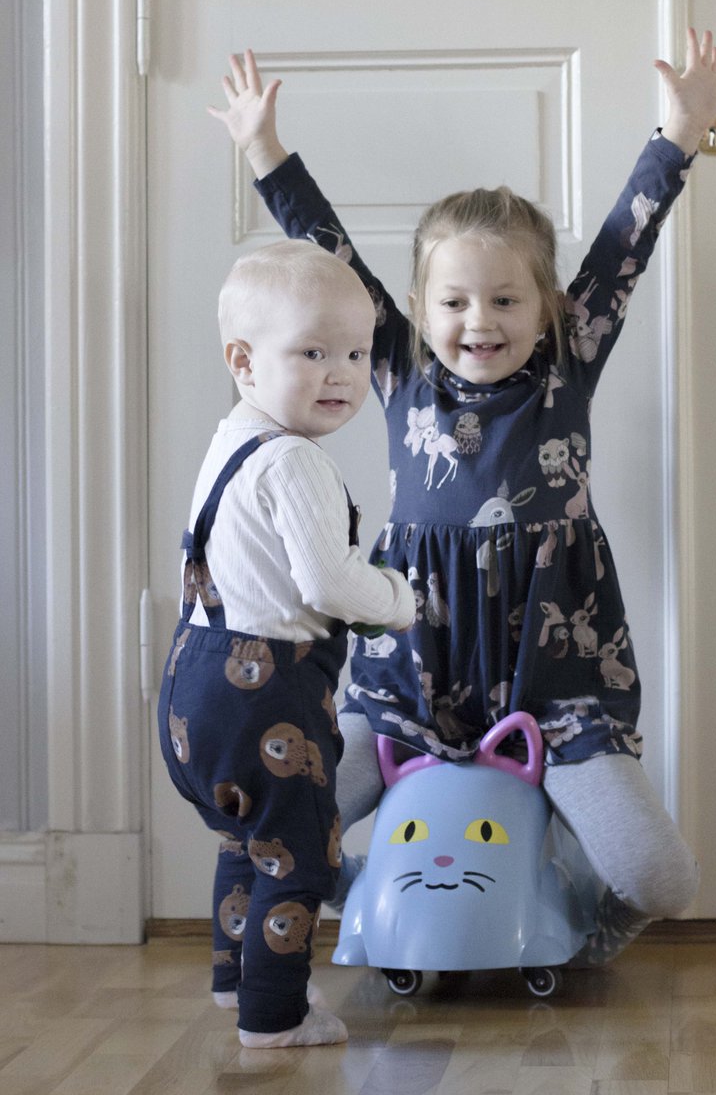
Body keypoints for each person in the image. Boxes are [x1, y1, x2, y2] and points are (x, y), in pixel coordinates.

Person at [208, 29, 716, 964]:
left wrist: (680, 134)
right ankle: (379, 916)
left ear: (548, 310)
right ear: (413, 306)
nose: (478, 322)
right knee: (286, 822)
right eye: (453, 301)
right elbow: (324, 247)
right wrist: (263, 150)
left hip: (556, 674)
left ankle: (581, 932)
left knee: (665, 879)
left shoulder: (568, 364)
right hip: (407, 667)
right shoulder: (399, 367)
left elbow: (625, 244)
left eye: (504, 301)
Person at [157, 240, 415, 1048]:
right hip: (263, 689)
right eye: (312, 351)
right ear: (243, 359)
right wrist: (399, 601)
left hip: (192, 685)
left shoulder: (231, 439)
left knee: (247, 839)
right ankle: (276, 1015)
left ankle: (236, 982)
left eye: (355, 353)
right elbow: (330, 584)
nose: (341, 374)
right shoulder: (296, 460)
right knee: (300, 856)